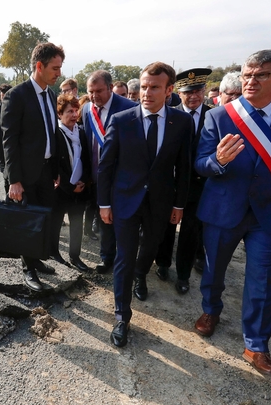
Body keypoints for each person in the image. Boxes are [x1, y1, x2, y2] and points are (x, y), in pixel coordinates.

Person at [194, 49, 271, 379]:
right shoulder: (220, 116)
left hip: (268, 214)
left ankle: (256, 345)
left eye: (260, 75)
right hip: (223, 208)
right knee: (214, 271)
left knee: (261, 280)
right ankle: (210, 311)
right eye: (246, 75)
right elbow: (200, 164)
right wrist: (217, 160)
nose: (250, 81)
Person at [97, 61, 192, 347]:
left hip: (160, 204)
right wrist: (104, 204)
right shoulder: (122, 119)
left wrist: (179, 205)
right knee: (124, 258)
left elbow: (183, 167)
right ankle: (121, 317)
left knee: (149, 249)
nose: (146, 93)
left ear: (169, 90)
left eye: (154, 88)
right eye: (144, 87)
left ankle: (142, 274)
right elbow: (106, 166)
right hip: (125, 201)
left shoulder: (181, 123)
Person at [1, 42, 65, 292]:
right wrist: (13, 180)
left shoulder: (50, 94)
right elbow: (9, 141)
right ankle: (28, 268)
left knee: (43, 219)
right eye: (55, 68)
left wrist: (57, 170)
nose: (59, 73)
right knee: (28, 222)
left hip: (47, 172)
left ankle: (36, 260)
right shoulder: (16, 96)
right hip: (25, 176)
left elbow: (51, 133)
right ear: (39, 66)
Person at [154, 68, 212, 294]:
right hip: (171, 184)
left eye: (197, 91)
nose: (193, 96)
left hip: (198, 187)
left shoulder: (214, 116)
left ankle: (184, 274)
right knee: (166, 229)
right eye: (188, 92)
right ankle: (162, 263)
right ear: (179, 92)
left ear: (204, 91)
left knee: (190, 233)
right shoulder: (167, 114)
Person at [81, 70, 137, 272]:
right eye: (90, 91)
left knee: (122, 220)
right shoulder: (87, 110)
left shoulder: (129, 108)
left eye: (99, 91)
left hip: (123, 177)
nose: (94, 96)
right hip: (98, 177)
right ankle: (107, 257)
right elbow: (87, 144)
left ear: (110, 87)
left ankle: (125, 259)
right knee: (104, 218)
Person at [51, 94, 91, 271]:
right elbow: (54, 166)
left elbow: (87, 158)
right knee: (55, 223)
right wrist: (70, 186)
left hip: (80, 188)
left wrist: (83, 182)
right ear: (59, 114)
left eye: (76, 111)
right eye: (69, 111)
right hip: (61, 190)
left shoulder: (80, 132)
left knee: (77, 225)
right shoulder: (55, 134)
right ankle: (54, 254)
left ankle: (75, 257)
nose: (74, 115)